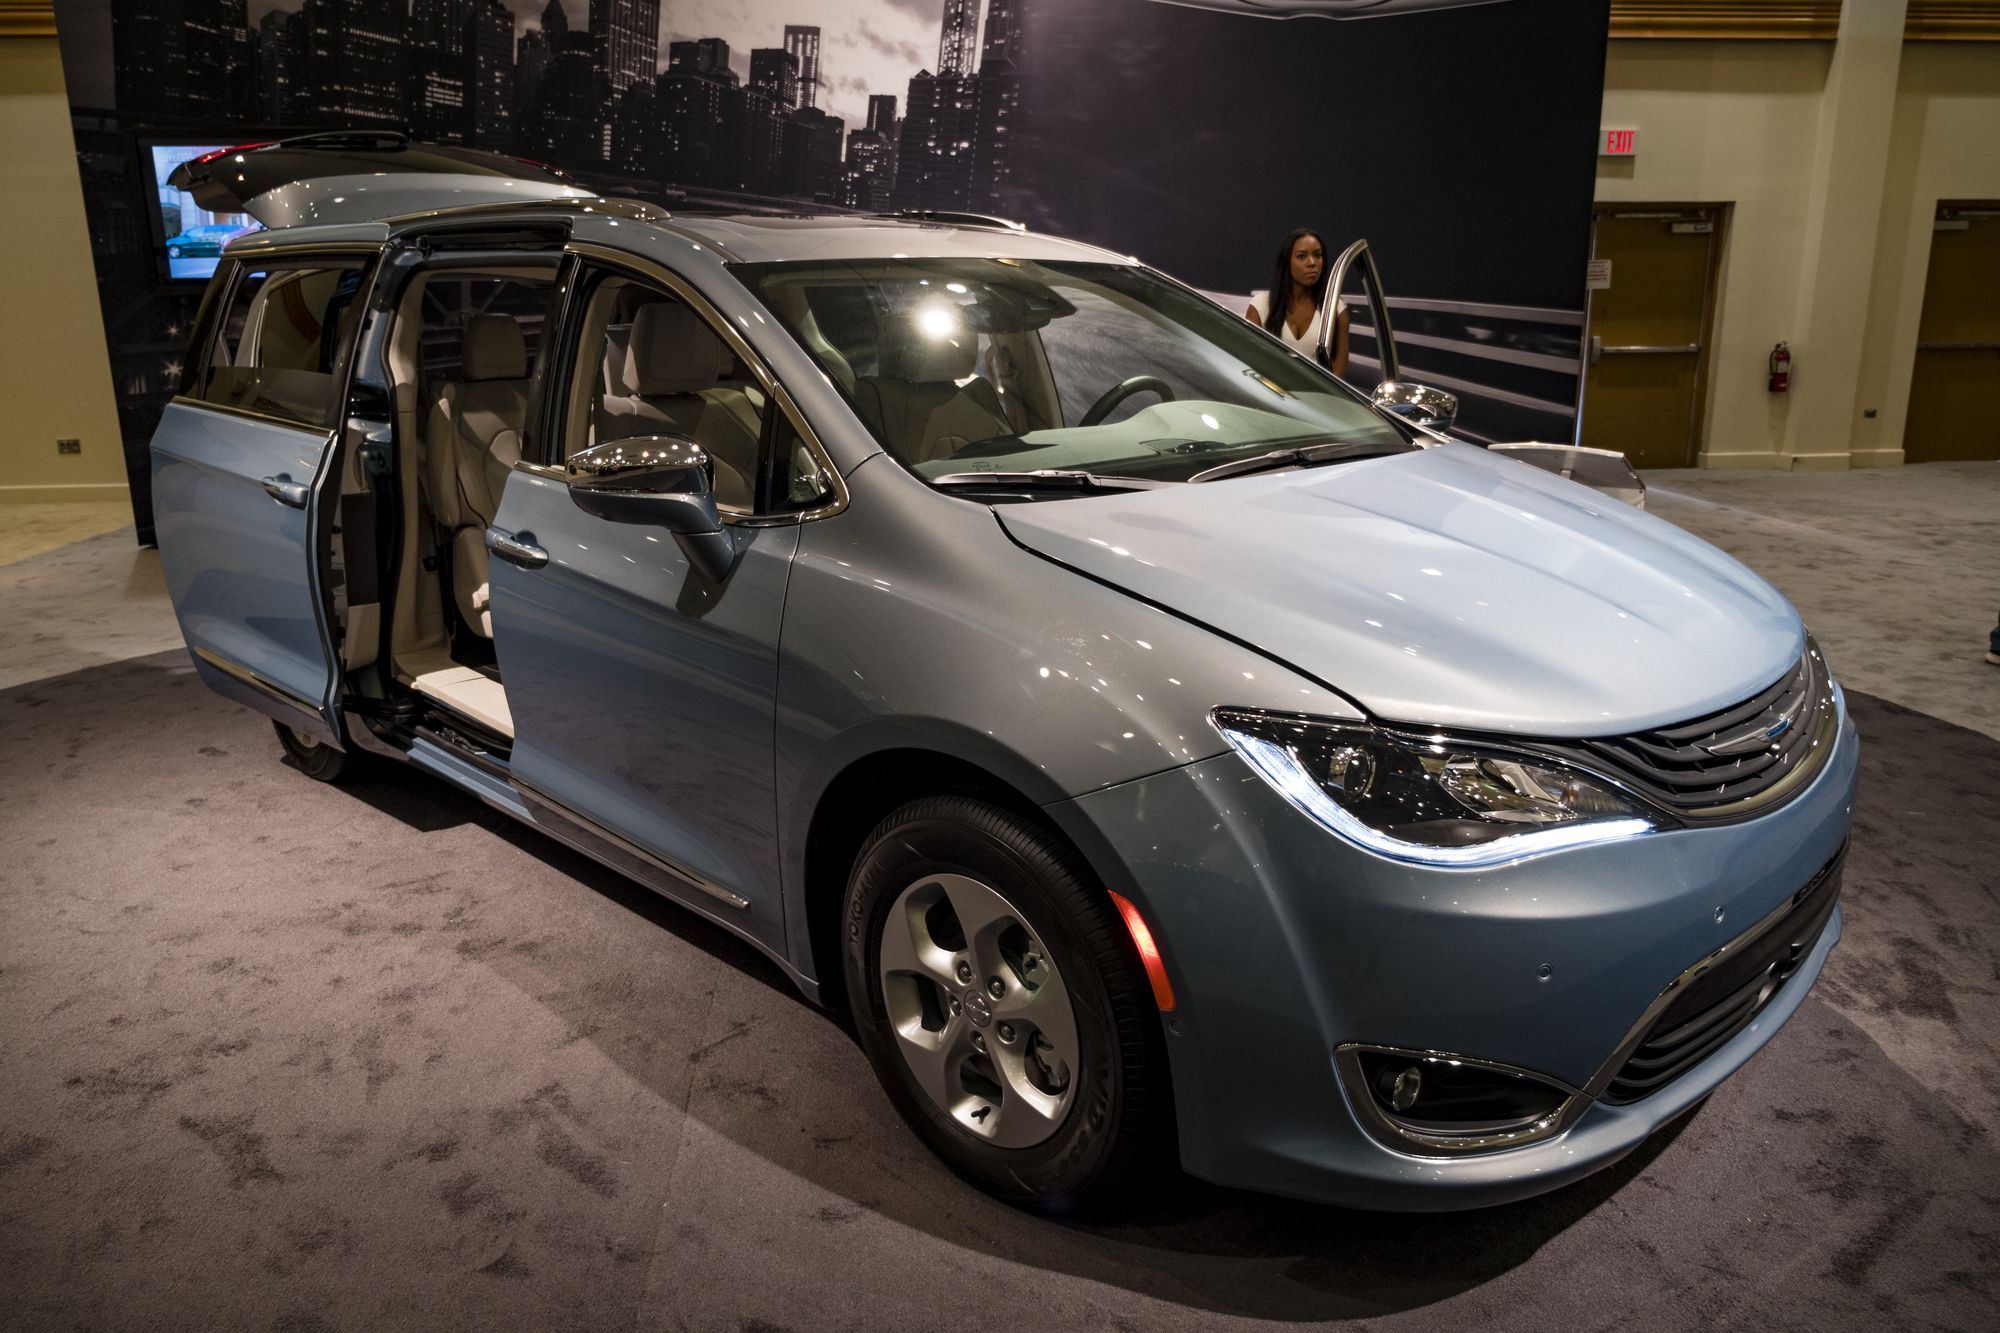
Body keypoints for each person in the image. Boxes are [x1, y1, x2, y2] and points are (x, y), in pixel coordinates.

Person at [1246, 227, 1350, 378]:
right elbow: (1248, 363)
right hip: (1268, 396)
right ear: (1287, 262)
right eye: (1302, 256)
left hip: (1317, 399)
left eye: (1317, 255)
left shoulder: (1336, 309)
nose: (1312, 263)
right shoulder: (1260, 305)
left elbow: (1339, 375)